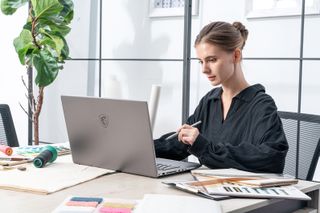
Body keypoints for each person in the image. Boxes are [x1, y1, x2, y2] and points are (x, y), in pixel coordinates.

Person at [154, 21, 288, 173]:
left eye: (212, 60)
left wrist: (204, 147)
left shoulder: (261, 105)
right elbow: (181, 143)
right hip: (207, 189)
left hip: (243, 193)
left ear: (236, 55)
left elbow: (272, 158)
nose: (204, 69)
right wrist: (140, 149)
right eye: (201, 61)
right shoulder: (210, 101)